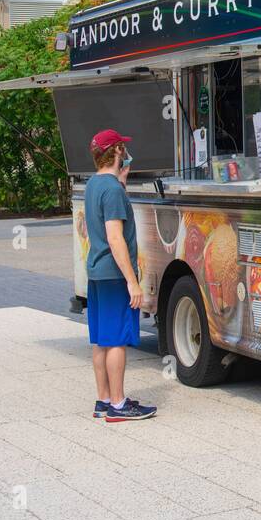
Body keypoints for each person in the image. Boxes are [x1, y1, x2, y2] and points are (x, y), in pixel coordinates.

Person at [84, 129, 157, 422]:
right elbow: (115, 238)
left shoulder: (95, 184)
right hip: (114, 275)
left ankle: (103, 399)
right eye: (121, 148)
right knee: (116, 340)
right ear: (115, 152)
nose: (125, 152)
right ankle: (118, 404)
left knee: (101, 339)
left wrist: (121, 184)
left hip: (96, 271)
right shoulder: (112, 190)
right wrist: (132, 281)